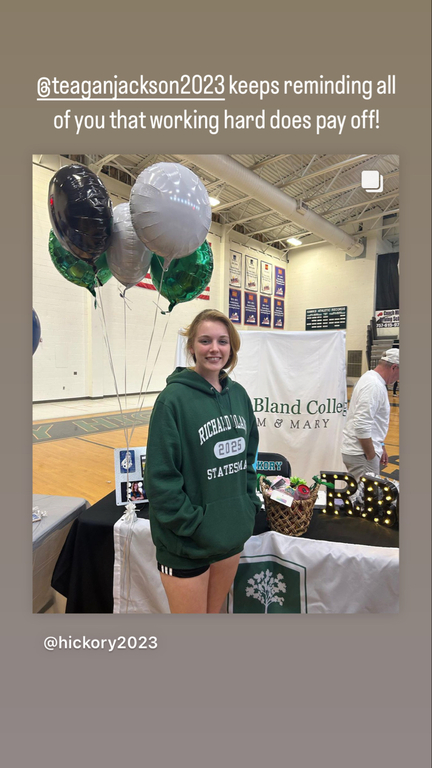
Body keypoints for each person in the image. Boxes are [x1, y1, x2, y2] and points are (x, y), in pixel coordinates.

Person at [144, 309, 260, 614]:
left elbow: (248, 459)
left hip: (229, 536)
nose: (214, 349)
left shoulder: (240, 396)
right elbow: (160, 479)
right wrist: (194, 525)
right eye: (205, 340)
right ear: (191, 346)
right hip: (187, 545)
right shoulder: (172, 400)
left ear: (231, 347)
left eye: (223, 341)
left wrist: (246, 506)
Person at [341, 348, 399, 480]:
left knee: (362, 491)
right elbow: (361, 425)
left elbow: (372, 421)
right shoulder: (374, 385)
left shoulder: (370, 378)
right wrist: (371, 456)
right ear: (394, 367)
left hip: (361, 452)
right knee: (366, 493)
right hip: (361, 454)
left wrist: (380, 446)